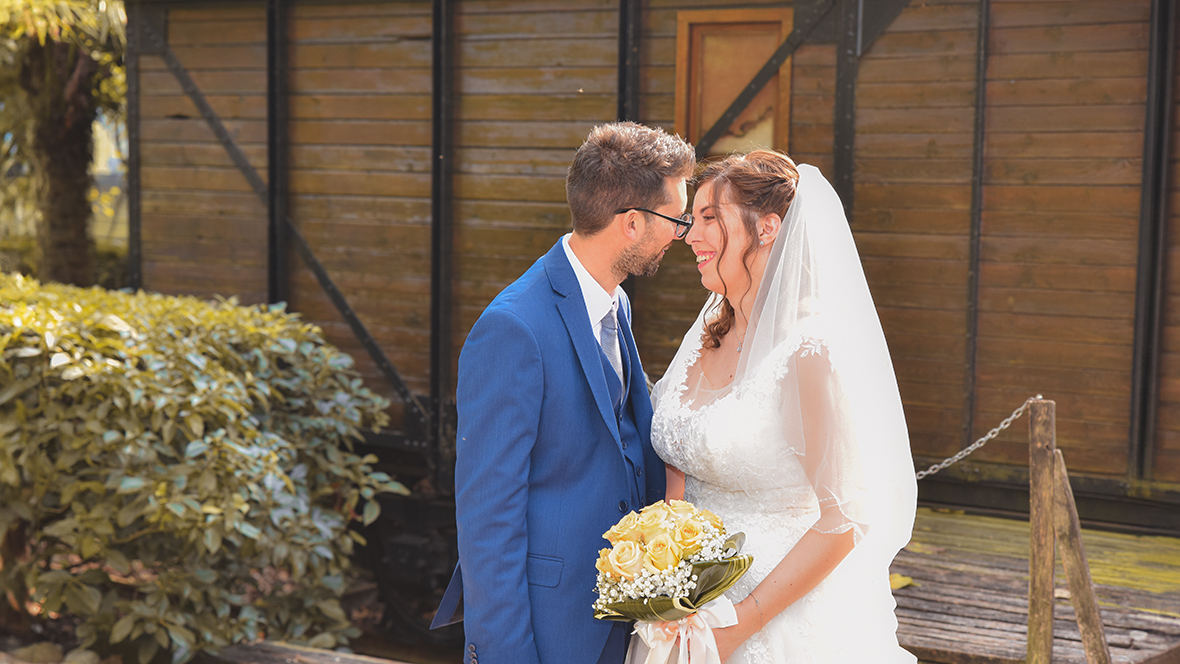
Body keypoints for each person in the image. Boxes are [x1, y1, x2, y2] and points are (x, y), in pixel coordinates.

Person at [432, 122, 695, 664]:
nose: (683, 233)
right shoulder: (513, 327)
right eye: (676, 219)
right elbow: (487, 513)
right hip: (547, 628)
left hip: (618, 615)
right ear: (630, 224)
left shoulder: (615, 303)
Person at [643, 150, 918, 662]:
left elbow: (848, 515)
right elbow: (677, 450)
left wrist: (739, 624)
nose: (690, 235)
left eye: (710, 219)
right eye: (691, 219)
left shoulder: (810, 351)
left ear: (767, 228)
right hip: (689, 611)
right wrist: (665, 573)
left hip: (779, 621)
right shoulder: (708, 331)